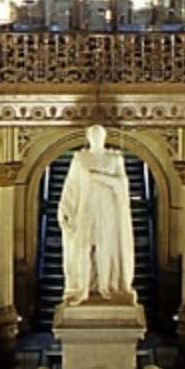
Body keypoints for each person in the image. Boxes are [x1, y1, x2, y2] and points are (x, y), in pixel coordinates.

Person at [56, 125, 135, 304]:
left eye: (99, 135)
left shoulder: (114, 158)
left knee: (105, 249)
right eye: (93, 135)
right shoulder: (80, 159)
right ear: (88, 137)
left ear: (105, 137)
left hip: (108, 210)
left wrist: (98, 177)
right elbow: (71, 186)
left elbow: (122, 184)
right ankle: (82, 289)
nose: (96, 138)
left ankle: (105, 287)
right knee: (83, 248)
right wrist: (65, 208)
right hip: (86, 208)